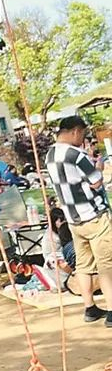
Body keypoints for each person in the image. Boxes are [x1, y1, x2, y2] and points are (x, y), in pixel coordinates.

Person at [46, 116, 112, 324]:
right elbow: (96, 180)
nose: (83, 138)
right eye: (82, 133)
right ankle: (111, 311)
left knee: (83, 265)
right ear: (75, 131)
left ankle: (89, 308)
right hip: (94, 216)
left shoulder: (50, 155)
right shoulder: (76, 154)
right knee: (106, 264)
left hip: (73, 219)